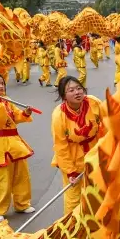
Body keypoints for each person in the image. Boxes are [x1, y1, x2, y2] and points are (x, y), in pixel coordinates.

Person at [0, 73, 35, 222]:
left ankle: (22, 203)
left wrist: (25, 113)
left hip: (15, 142)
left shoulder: (6, 100)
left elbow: (15, 117)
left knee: (21, 175)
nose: (1, 86)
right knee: (1, 178)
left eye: (2, 83)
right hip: (0, 143)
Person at [51, 77, 106, 213]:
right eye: (71, 90)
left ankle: (97, 222)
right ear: (64, 96)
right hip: (73, 158)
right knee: (73, 199)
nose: (77, 92)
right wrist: (70, 171)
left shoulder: (93, 102)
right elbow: (61, 146)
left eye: (79, 88)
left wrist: (108, 149)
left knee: (98, 191)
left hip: (95, 154)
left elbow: (108, 124)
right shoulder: (58, 115)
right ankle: (72, 224)